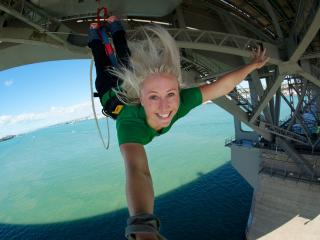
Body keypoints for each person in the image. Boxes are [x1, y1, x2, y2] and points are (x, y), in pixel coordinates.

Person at [88, 16, 269, 240]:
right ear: (140, 99)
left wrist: (252, 65)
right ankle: (96, 33)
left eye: (170, 94)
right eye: (153, 97)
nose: (165, 107)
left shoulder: (183, 101)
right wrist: (143, 228)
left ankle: (111, 27)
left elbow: (220, 87)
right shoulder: (129, 124)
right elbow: (138, 170)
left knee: (124, 56)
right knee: (103, 62)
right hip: (110, 90)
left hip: (130, 85)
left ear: (178, 91)